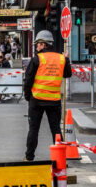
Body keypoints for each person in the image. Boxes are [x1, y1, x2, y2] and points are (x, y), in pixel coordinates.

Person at [23, 30, 72, 161]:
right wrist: (66, 60)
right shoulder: (61, 59)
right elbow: (68, 74)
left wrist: (28, 96)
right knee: (56, 130)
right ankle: (60, 159)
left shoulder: (37, 59)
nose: (36, 47)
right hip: (54, 101)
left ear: (44, 44)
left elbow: (28, 80)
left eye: (38, 44)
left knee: (33, 129)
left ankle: (29, 157)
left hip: (37, 100)